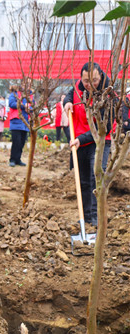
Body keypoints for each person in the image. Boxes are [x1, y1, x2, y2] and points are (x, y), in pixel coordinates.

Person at [63, 62, 112, 227]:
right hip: (79, 140)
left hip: (99, 141)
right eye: (86, 81)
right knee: (83, 180)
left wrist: (81, 139)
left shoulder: (108, 93)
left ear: (100, 76)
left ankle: (97, 218)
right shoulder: (79, 85)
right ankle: (85, 218)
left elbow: (105, 126)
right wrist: (67, 102)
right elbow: (71, 93)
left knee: (95, 178)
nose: (90, 85)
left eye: (94, 81)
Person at [8, 84, 32, 167]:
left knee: (22, 142)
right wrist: (23, 105)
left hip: (25, 123)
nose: (28, 86)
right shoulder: (15, 94)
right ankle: (12, 159)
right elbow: (11, 104)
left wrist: (30, 108)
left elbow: (33, 106)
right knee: (16, 142)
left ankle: (18, 159)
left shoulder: (30, 96)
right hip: (16, 121)